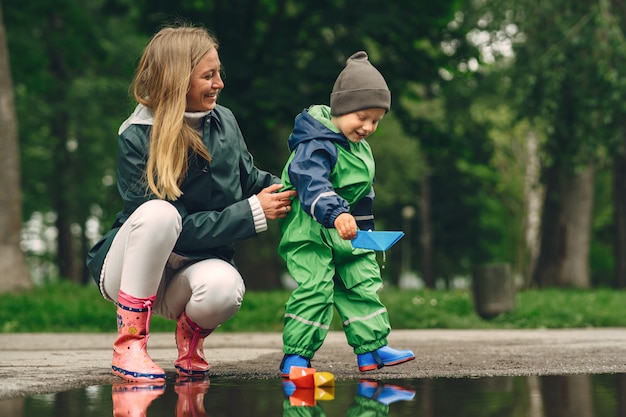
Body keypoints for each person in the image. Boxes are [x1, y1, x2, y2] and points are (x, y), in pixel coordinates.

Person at [86, 24, 296, 383]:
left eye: (219, 73)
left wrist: (303, 191)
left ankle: (190, 339)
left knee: (225, 290)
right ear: (178, 80)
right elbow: (175, 231)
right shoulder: (136, 135)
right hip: (128, 268)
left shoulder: (224, 120)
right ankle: (129, 345)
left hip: (188, 272)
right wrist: (252, 212)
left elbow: (252, 179)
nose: (219, 84)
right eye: (208, 76)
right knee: (159, 214)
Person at [277, 51, 415, 377]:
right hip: (311, 227)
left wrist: (366, 234)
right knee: (316, 288)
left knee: (362, 281)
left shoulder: (360, 148)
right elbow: (312, 182)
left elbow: (363, 193)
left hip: (347, 229)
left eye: (376, 121)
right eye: (362, 117)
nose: (368, 127)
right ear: (341, 107)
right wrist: (336, 212)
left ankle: (372, 349)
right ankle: (296, 358)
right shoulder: (315, 142)